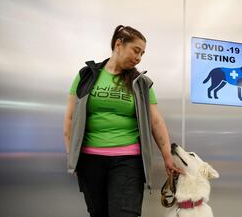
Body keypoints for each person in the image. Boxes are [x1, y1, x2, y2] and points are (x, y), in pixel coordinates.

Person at [63, 25, 182, 217]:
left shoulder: (141, 83)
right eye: (136, 50)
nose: (139, 58)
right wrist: (72, 155)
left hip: (128, 161)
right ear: (118, 44)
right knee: (98, 213)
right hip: (90, 160)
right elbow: (70, 117)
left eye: (142, 53)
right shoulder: (86, 75)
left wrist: (167, 156)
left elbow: (156, 122)